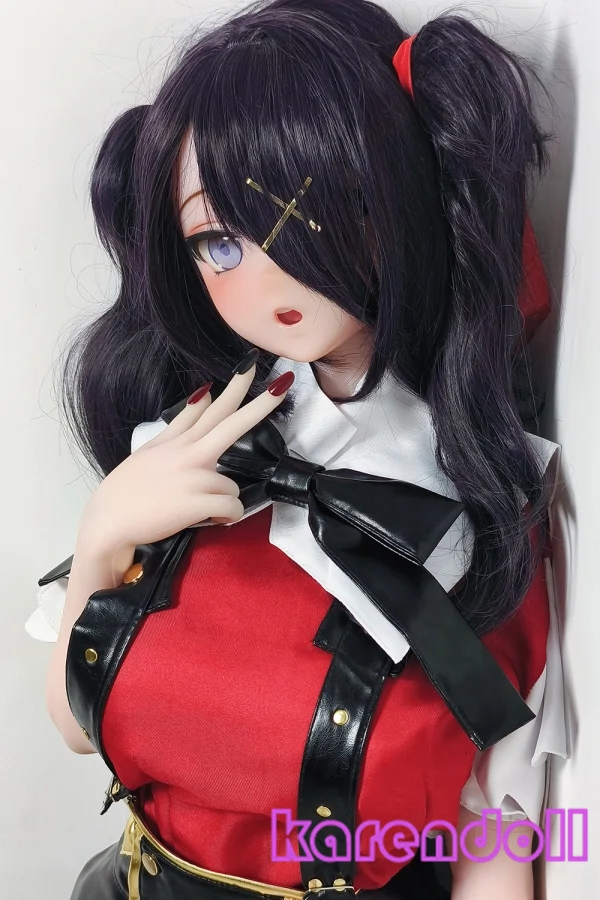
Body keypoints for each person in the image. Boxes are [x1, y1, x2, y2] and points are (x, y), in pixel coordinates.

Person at [26, 1, 568, 898]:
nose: (268, 276)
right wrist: (101, 537)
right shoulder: (190, 440)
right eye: (219, 241)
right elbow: (79, 727)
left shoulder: (467, 503)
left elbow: (496, 826)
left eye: (312, 212)